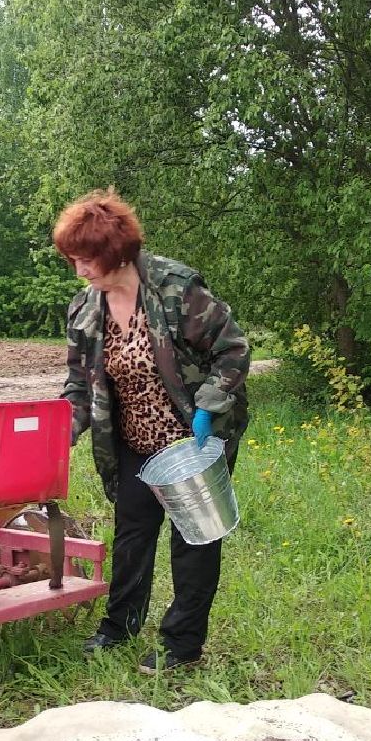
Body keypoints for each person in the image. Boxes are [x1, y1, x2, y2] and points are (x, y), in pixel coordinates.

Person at [55, 188, 250, 674]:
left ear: (115, 252)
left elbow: (233, 349)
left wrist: (209, 405)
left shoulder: (175, 289)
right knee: (133, 534)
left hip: (193, 440)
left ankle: (180, 645)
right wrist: (64, 429)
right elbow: (79, 384)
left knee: (194, 539)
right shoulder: (85, 311)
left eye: (86, 260)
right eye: (73, 260)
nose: (79, 271)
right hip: (133, 442)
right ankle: (119, 626)